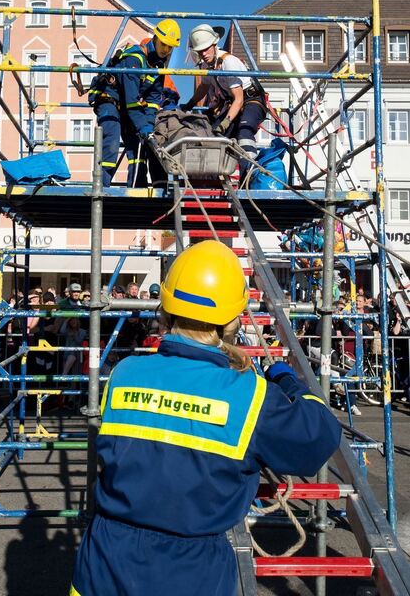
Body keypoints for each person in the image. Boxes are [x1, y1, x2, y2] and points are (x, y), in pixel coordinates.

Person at [70, 240, 341, 596]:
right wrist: (289, 380)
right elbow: (318, 436)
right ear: (232, 320)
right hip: (189, 571)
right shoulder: (249, 394)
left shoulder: (125, 372)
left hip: (103, 561)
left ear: (165, 305)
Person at [87, 19, 181, 187]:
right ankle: (101, 188)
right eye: (163, 45)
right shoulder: (134, 59)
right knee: (111, 140)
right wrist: (142, 126)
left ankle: (137, 188)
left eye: (169, 47)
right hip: (110, 100)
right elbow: (131, 101)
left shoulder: (158, 67)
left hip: (128, 106)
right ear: (155, 39)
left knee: (138, 146)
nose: (166, 50)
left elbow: (153, 100)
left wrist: (149, 125)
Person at [183, 24, 267, 181]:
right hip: (233, 102)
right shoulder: (209, 65)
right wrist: (188, 105)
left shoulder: (229, 62)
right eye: (201, 51)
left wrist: (226, 121)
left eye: (207, 48)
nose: (204, 53)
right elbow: (204, 86)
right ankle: (214, 176)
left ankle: (249, 176)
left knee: (244, 132)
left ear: (215, 45)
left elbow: (239, 98)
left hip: (251, 100)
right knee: (215, 134)